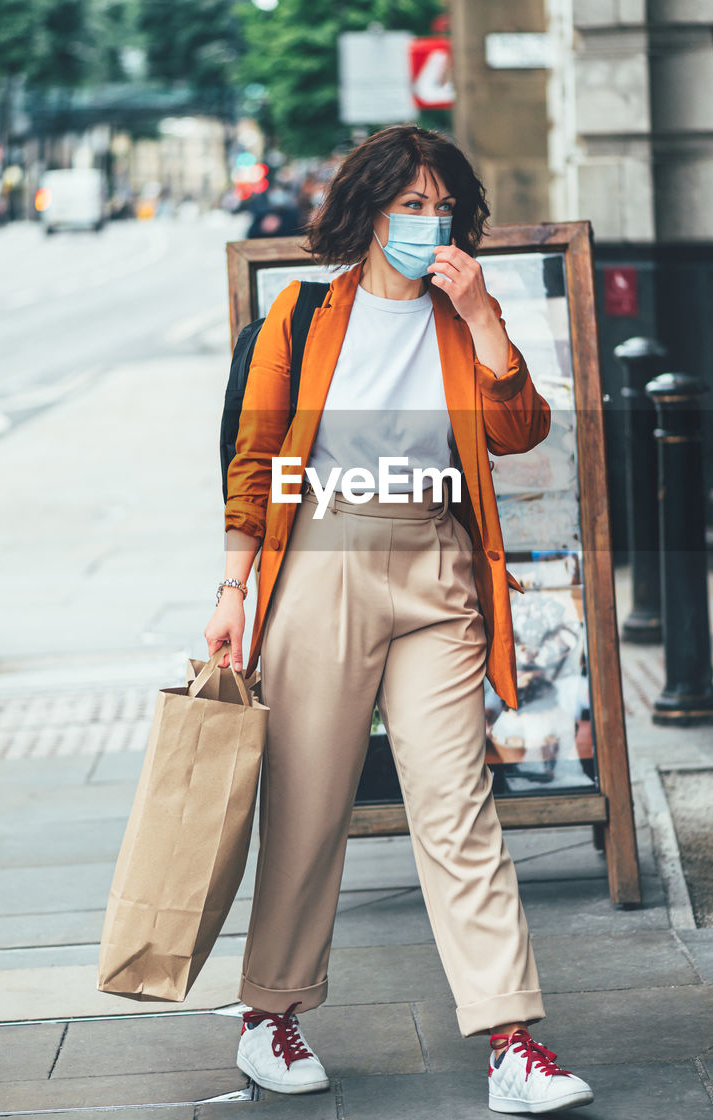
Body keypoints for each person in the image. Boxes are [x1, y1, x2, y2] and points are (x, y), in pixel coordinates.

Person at [204, 124, 594, 1115]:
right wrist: (232, 589)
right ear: (370, 211)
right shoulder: (301, 317)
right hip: (322, 565)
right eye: (411, 205)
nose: (429, 224)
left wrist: (484, 312)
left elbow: (519, 429)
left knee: (456, 802)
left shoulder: (463, 313)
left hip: (437, 564)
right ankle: (271, 1013)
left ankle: (512, 1038)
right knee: (309, 801)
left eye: (443, 207)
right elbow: (255, 464)